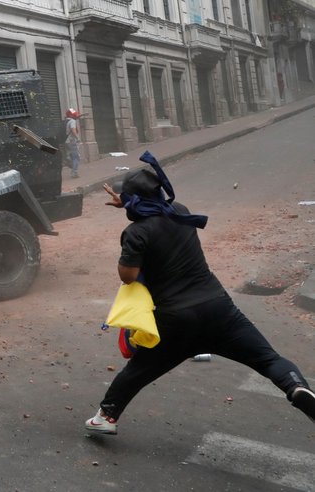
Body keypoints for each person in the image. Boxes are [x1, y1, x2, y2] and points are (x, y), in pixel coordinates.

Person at [85, 151, 315, 435]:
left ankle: (106, 417)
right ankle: (297, 387)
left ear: (133, 202)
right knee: (267, 358)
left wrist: (130, 222)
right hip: (218, 308)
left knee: (139, 370)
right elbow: (153, 211)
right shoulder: (180, 211)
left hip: (176, 320)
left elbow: (128, 276)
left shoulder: (136, 233)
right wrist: (131, 205)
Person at [64, 108, 81, 178]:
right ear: (71, 115)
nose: (75, 116)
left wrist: (81, 115)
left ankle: (68, 159)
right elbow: (73, 130)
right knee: (76, 157)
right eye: (74, 115)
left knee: (71, 156)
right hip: (72, 141)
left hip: (66, 141)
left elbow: (76, 116)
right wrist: (78, 138)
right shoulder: (73, 121)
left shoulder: (66, 121)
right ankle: (74, 173)